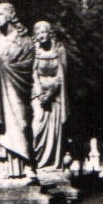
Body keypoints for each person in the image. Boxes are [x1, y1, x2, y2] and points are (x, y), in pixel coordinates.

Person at [0, 2, 34, 181]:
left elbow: (29, 66)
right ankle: (2, 170)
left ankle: (24, 167)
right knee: (1, 131)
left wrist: (8, 67)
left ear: (11, 15)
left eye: (0, 14)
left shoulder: (25, 41)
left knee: (20, 125)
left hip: (16, 92)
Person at [30, 21, 68, 172]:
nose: (41, 35)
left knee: (55, 128)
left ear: (49, 33)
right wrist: (40, 92)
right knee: (37, 124)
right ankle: (37, 161)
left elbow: (62, 74)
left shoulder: (59, 50)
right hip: (37, 93)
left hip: (55, 95)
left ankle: (52, 164)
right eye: (38, 33)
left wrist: (51, 92)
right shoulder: (33, 51)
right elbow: (32, 72)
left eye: (44, 32)